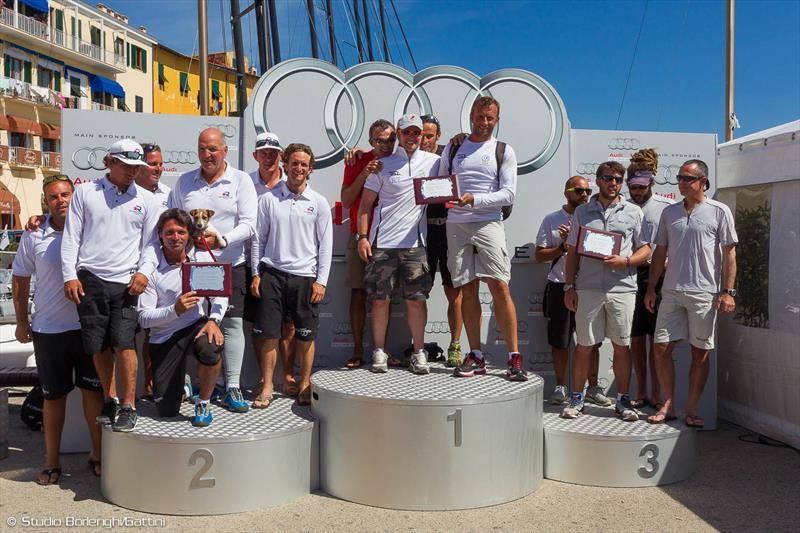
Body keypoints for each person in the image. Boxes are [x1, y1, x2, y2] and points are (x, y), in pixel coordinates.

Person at [12, 174, 104, 483]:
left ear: (74, 196)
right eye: (54, 197)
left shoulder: (92, 227)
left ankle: (98, 455)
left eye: (66, 194)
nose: (61, 200)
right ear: (46, 201)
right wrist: (22, 320)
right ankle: (51, 461)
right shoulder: (34, 233)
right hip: (49, 329)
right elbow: (20, 278)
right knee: (54, 398)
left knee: (93, 393)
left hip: (88, 327)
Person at [61, 139, 158, 432]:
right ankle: (110, 398)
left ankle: (128, 405)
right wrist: (69, 275)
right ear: (109, 163)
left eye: (136, 167)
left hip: (128, 282)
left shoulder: (147, 199)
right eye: (126, 166)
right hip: (91, 279)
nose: (132, 172)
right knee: (98, 345)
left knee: (125, 344)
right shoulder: (85, 192)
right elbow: (71, 236)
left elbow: (152, 244)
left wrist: (145, 271)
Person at [438, 96, 527, 381]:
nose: (484, 122)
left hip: (489, 222)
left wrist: (473, 199)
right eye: (479, 116)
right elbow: (440, 184)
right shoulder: (453, 147)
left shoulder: (503, 150)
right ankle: (475, 354)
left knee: (500, 286)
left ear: (496, 120)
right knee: (467, 290)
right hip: (456, 225)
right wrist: (448, 197)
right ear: (471, 116)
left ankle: (514, 356)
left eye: (489, 118)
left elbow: (508, 194)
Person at [168, 128, 257, 413]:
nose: (208, 155)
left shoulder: (241, 181)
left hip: (231, 265)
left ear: (225, 151)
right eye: (203, 149)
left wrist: (222, 239)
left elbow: (250, 224)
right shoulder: (184, 182)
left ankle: (232, 387)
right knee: (189, 324)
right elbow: (172, 219)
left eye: (213, 149)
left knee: (230, 326)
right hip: (192, 267)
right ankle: (187, 385)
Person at [645, 159, 738, 428]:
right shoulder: (669, 212)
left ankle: (692, 408)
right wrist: (652, 288)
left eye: (688, 178)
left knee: (701, 352)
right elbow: (660, 251)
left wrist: (728, 291)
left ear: (703, 182)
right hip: (671, 291)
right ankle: (667, 404)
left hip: (705, 292)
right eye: (680, 177)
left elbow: (729, 252)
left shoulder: (719, 211)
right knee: (661, 347)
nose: (681, 183)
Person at [561, 161, 652, 421]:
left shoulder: (634, 212)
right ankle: (577, 397)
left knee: (622, 345)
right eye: (608, 178)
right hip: (588, 287)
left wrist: (626, 261)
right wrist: (569, 286)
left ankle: (622, 399)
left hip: (622, 288)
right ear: (598, 181)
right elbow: (572, 252)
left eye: (618, 179)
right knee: (584, 346)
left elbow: (646, 249)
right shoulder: (582, 212)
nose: (613, 183)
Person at [357, 114, 440, 374]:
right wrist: (362, 237)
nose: (412, 137)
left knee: (416, 300)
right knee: (380, 300)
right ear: (399, 135)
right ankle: (379, 351)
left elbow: (458, 158)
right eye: (407, 133)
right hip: (381, 244)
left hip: (415, 244)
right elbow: (365, 205)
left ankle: (418, 352)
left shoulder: (436, 162)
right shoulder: (381, 164)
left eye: (417, 133)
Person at [251, 143, 332, 406]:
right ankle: (267, 387)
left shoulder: (318, 203)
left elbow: (326, 245)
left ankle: (306, 384)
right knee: (269, 335)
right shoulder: (268, 199)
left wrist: (321, 281)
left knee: (305, 336)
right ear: (285, 165)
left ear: (311, 169)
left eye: (303, 164)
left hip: (305, 279)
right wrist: (256, 273)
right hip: (272, 274)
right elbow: (257, 240)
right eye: (294, 163)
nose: (298, 168)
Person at [138, 209, 225, 427]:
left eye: (180, 232)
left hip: (197, 326)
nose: (175, 237)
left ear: (188, 235)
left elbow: (220, 297)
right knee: (167, 410)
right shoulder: (152, 269)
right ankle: (183, 386)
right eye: (169, 233)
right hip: (164, 337)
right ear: (160, 235)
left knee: (211, 347)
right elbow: (144, 319)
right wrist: (174, 310)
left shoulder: (200, 259)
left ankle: (203, 403)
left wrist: (214, 320)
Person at [535, 176, 609, 406]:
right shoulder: (552, 219)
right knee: (560, 340)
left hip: (589, 284)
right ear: (566, 192)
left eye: (587, 191)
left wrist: (581, 241)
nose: (584, 195)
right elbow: (539, 255)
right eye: (578, 190)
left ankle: (593, 388)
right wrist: (564, 246)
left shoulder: (595, 218)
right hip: (559, 285)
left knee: (592, 341)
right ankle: (560, 387)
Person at [244, 132, 298, 396]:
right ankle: (264, 378)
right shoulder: (244, 183)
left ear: (281, 156)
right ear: (255, 155)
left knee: (288, 325)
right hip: (250, 261)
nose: (268, 157)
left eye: (273, 153)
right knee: (260, 324)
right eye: (263, 152)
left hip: (282, 264)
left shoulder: (292, 184)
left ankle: (287, 375)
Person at [340, 119, 396, 368]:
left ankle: (382, 350)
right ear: (371, 141)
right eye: (379, 140)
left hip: (390, 237)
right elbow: (347, 199)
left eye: (390, 140)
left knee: (386, 297)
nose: (385, 145)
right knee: (358, 294)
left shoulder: (403, 159)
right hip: (360, 237)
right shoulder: (357, 160)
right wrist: (364, 172)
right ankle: (356, 351)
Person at [625, 149, 672, 409]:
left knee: (656, 338)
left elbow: (674, 243)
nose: (638, 191)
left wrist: (667, 263)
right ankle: (640, 391)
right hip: (629, 276)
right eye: (633, 187)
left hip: (658, 277)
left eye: (642, 187)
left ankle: (656, 393)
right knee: (635, 338)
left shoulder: (665, 208)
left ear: (651, 183)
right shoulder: (621, 207)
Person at [420, 114, 463, 366]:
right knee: (418, 296)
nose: (424, 140)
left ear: (438, 137)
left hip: (449, 233)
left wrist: (462, 138)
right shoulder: (410, 157)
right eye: (421, 134)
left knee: (454, 293)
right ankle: (419, 346)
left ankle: (455, 345)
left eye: (429, 135)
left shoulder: (452, 155)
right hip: (423, 234)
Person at [135, 142, 170, 400]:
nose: (158, 168)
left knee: (153, 332)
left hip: (157, 271)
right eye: (152, 163)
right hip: (126, 272)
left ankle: (152, 384)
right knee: (124, 339)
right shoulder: (126, 192)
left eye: (160, 163)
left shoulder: (169, 194)